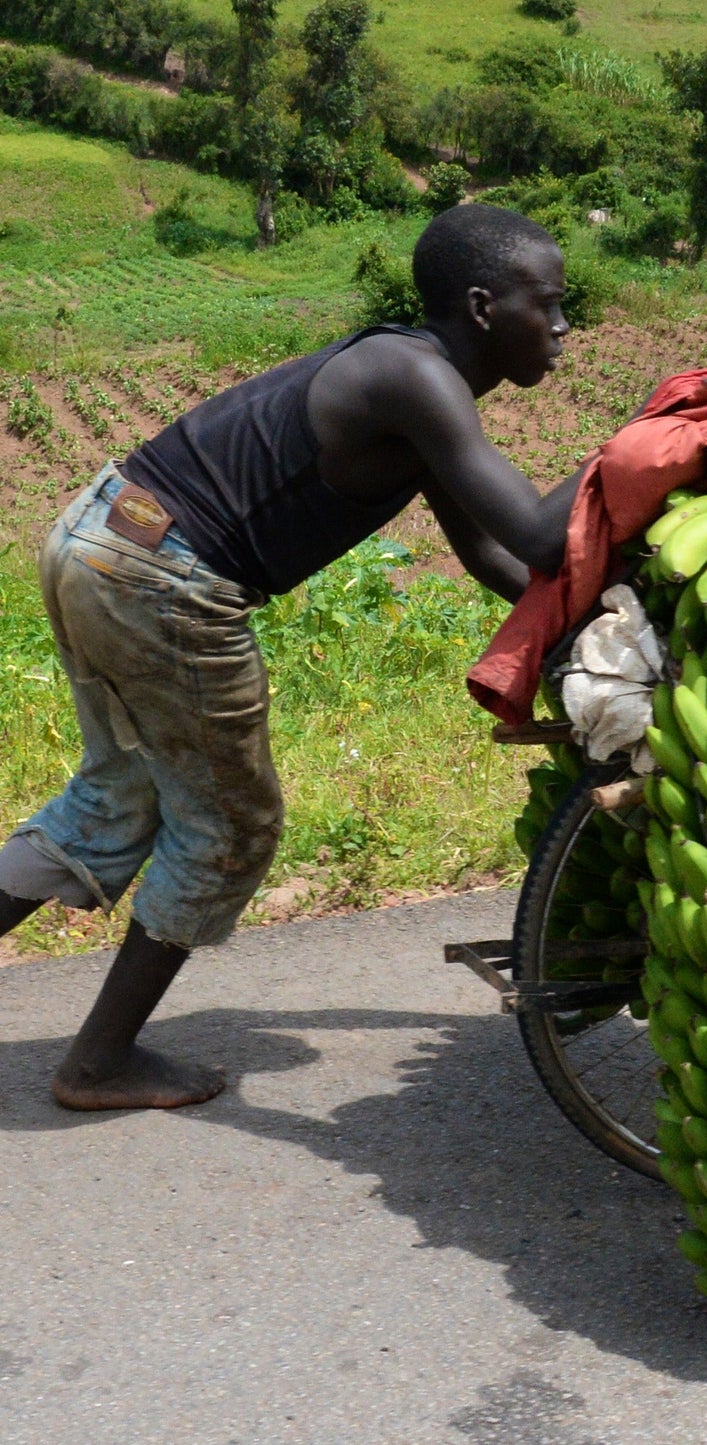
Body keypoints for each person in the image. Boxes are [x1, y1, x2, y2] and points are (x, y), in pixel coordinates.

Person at [0, 203, 579, 1112]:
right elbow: (542, 530)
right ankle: (99, 1064)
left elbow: (496, 556)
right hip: (162, 576)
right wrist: (652, 440)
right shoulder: (416, 379)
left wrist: (593, 624)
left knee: (117, 797)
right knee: (232, 828)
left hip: (103, 535)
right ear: (480, 306)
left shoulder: (410, 378)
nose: (560, 326)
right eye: (545, 303)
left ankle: (99, 1055)